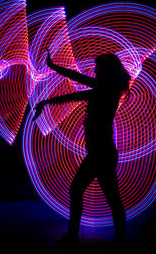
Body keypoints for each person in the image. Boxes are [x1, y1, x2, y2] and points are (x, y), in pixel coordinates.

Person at [33, 51, 131, 249]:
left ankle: (74, 237)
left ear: (106, 71)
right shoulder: (106, 88)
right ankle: (117, 240)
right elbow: (79, 80)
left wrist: (47, 101)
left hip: (100, 152)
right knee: (109, 196)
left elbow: (78, 92)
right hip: (101, 151)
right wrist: (54, 68)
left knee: (86, 191)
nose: (95, 70)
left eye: (98, 67)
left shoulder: (105, 90)